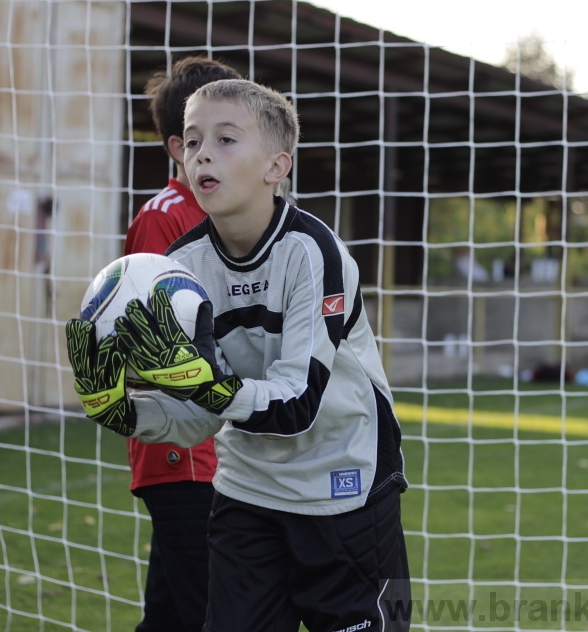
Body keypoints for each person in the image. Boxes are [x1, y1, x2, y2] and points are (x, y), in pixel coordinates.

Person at [66, 78, 411, 631]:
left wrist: (209, 385)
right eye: (194, 140)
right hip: (246, 495)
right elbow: (203, 413)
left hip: (347, 491)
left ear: (277, 167)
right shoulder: (179, 270)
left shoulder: (315, 254)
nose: (203, 152)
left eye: (226, 139)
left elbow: (297, 401)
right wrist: (129, 413)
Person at [125, 54, 242, 632]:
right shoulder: (163, 218)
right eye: (213, 136)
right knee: (218, 613)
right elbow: (154, 347)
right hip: (182, 453)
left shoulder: (234, 218)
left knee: (170, 618)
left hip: (217, 454)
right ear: (180, 147)